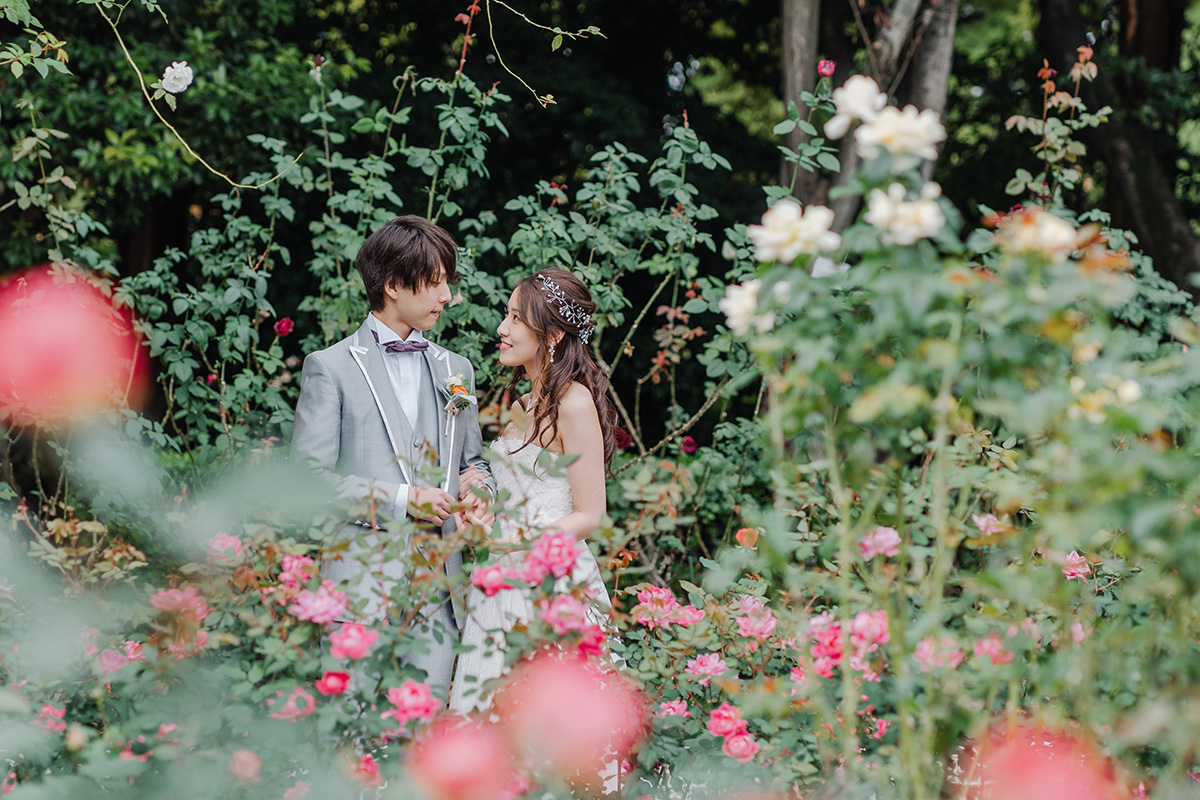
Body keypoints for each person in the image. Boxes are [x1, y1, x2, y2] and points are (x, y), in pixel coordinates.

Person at [291, 215, 494, 699]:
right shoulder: (331, 367)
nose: (448, 297)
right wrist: (403, 499)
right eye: (436, 283)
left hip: (441, 587)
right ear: (394, 285)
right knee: (352, 734)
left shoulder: (456, 369)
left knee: (423, 742)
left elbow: (473, 462)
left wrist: (480, 489)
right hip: (359, 581)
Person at [448, 267, 618, 714]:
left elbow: (591, 515)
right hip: (501, 576)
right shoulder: (524, 404)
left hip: (549, 579)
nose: (502, 330)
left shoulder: (574, 402)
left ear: (554, 334)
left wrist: (515, 544)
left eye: (516, 319)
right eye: (506, 316)